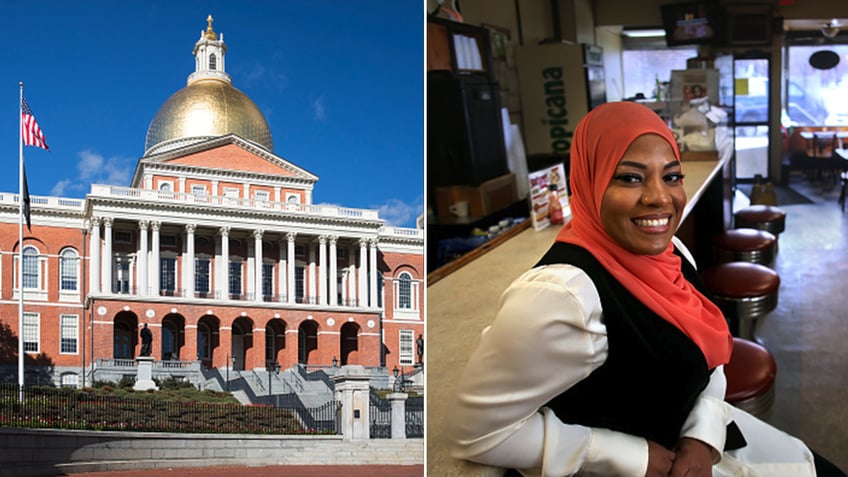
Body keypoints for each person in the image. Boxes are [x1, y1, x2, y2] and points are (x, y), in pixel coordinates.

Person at [445, 102, 844, 477]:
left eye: (671, 176)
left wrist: (702, 436)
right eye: (630, 178)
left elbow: (707, 355)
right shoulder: (563, 297)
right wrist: (628, 456)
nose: (659, 198)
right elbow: (474, 431)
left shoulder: (671, 254)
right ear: (590, 181)